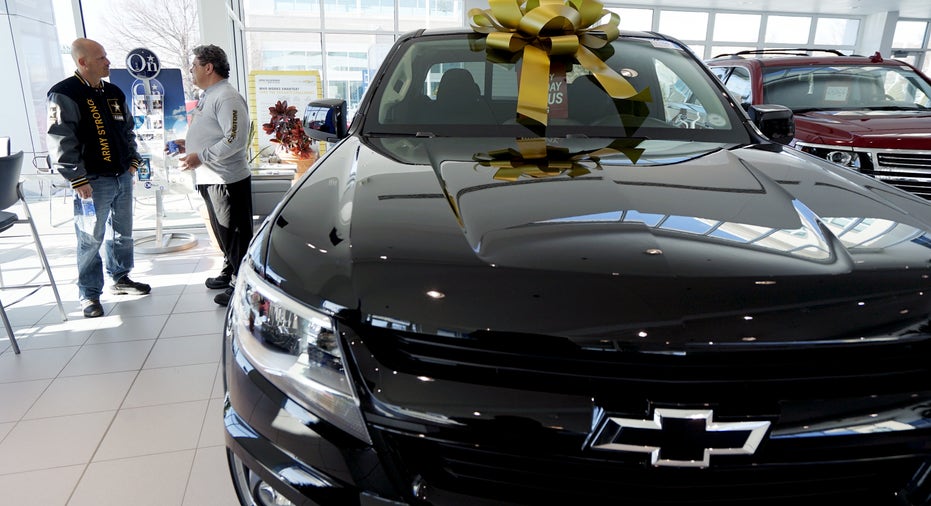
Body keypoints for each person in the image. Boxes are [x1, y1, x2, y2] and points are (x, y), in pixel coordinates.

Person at [46, 38, 151, 318]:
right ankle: (89, 295)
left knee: (122, 233)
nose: (108, 62)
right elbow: (60, 139)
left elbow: (127, 129)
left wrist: (133, 161)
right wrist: (77, 179)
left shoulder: (114, 92)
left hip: (121, 176)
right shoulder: (64, 94)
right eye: (102, 57)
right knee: (90, 238)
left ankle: (120, 278)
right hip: (91, 182)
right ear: (83, 62)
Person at [172, 44, 252, 307]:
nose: (191, 71)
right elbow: (214, 133)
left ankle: (242, 285)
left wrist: (200, 156)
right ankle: (230, 272)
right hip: (210, 177)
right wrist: (188, 145)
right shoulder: (210, 94)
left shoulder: (226, 96)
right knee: (224, 234)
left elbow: (235, 139)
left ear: (209, 67)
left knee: (235, 235)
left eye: (194, 66)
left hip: (226, 180)